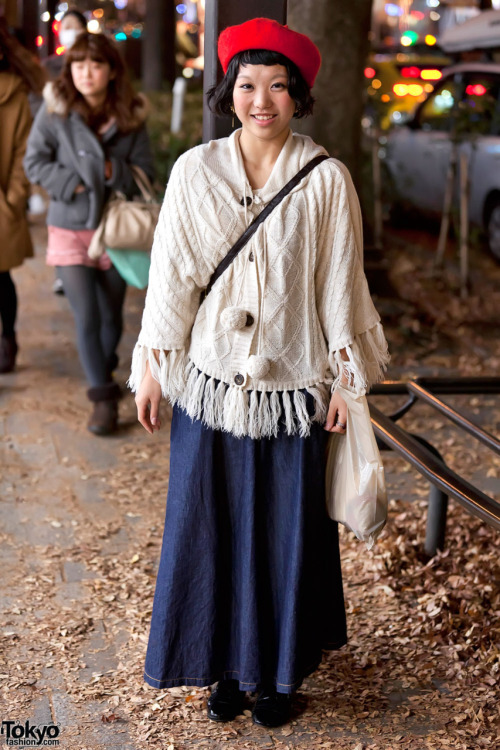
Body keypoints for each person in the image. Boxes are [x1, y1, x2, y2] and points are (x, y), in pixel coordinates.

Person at [130, 18, 390, 728]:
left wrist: (346, 379)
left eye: (278, 85)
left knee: (285, 534)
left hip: (292, 390)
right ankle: (222, 670)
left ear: (298, 94)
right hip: (209, 385)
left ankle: (274, 677)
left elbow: (341, 286)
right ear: (229, 90)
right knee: (206, 526)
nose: (262, 99)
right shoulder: (193, 171)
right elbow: (171, 279)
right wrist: (153, 367)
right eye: (248, 84)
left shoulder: (326, 179)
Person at [24, 32, 154, 435]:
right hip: (70, 224)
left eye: (95, 64)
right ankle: (102, 397)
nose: (86, 73)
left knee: (112, 317)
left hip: (116, 229)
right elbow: (35, 161)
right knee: (87, 314)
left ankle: (103, 365)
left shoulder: (131, 114)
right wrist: (74, 184)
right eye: (78, 65)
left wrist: (111, 171)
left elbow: (146, 171)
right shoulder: (56, 111)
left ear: (112, 71)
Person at [0, 19, 45, 373]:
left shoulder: (12, 93)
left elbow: (22, 153)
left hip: (1, 201)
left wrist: (13, 199)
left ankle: (8, 337)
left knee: (0, 278)